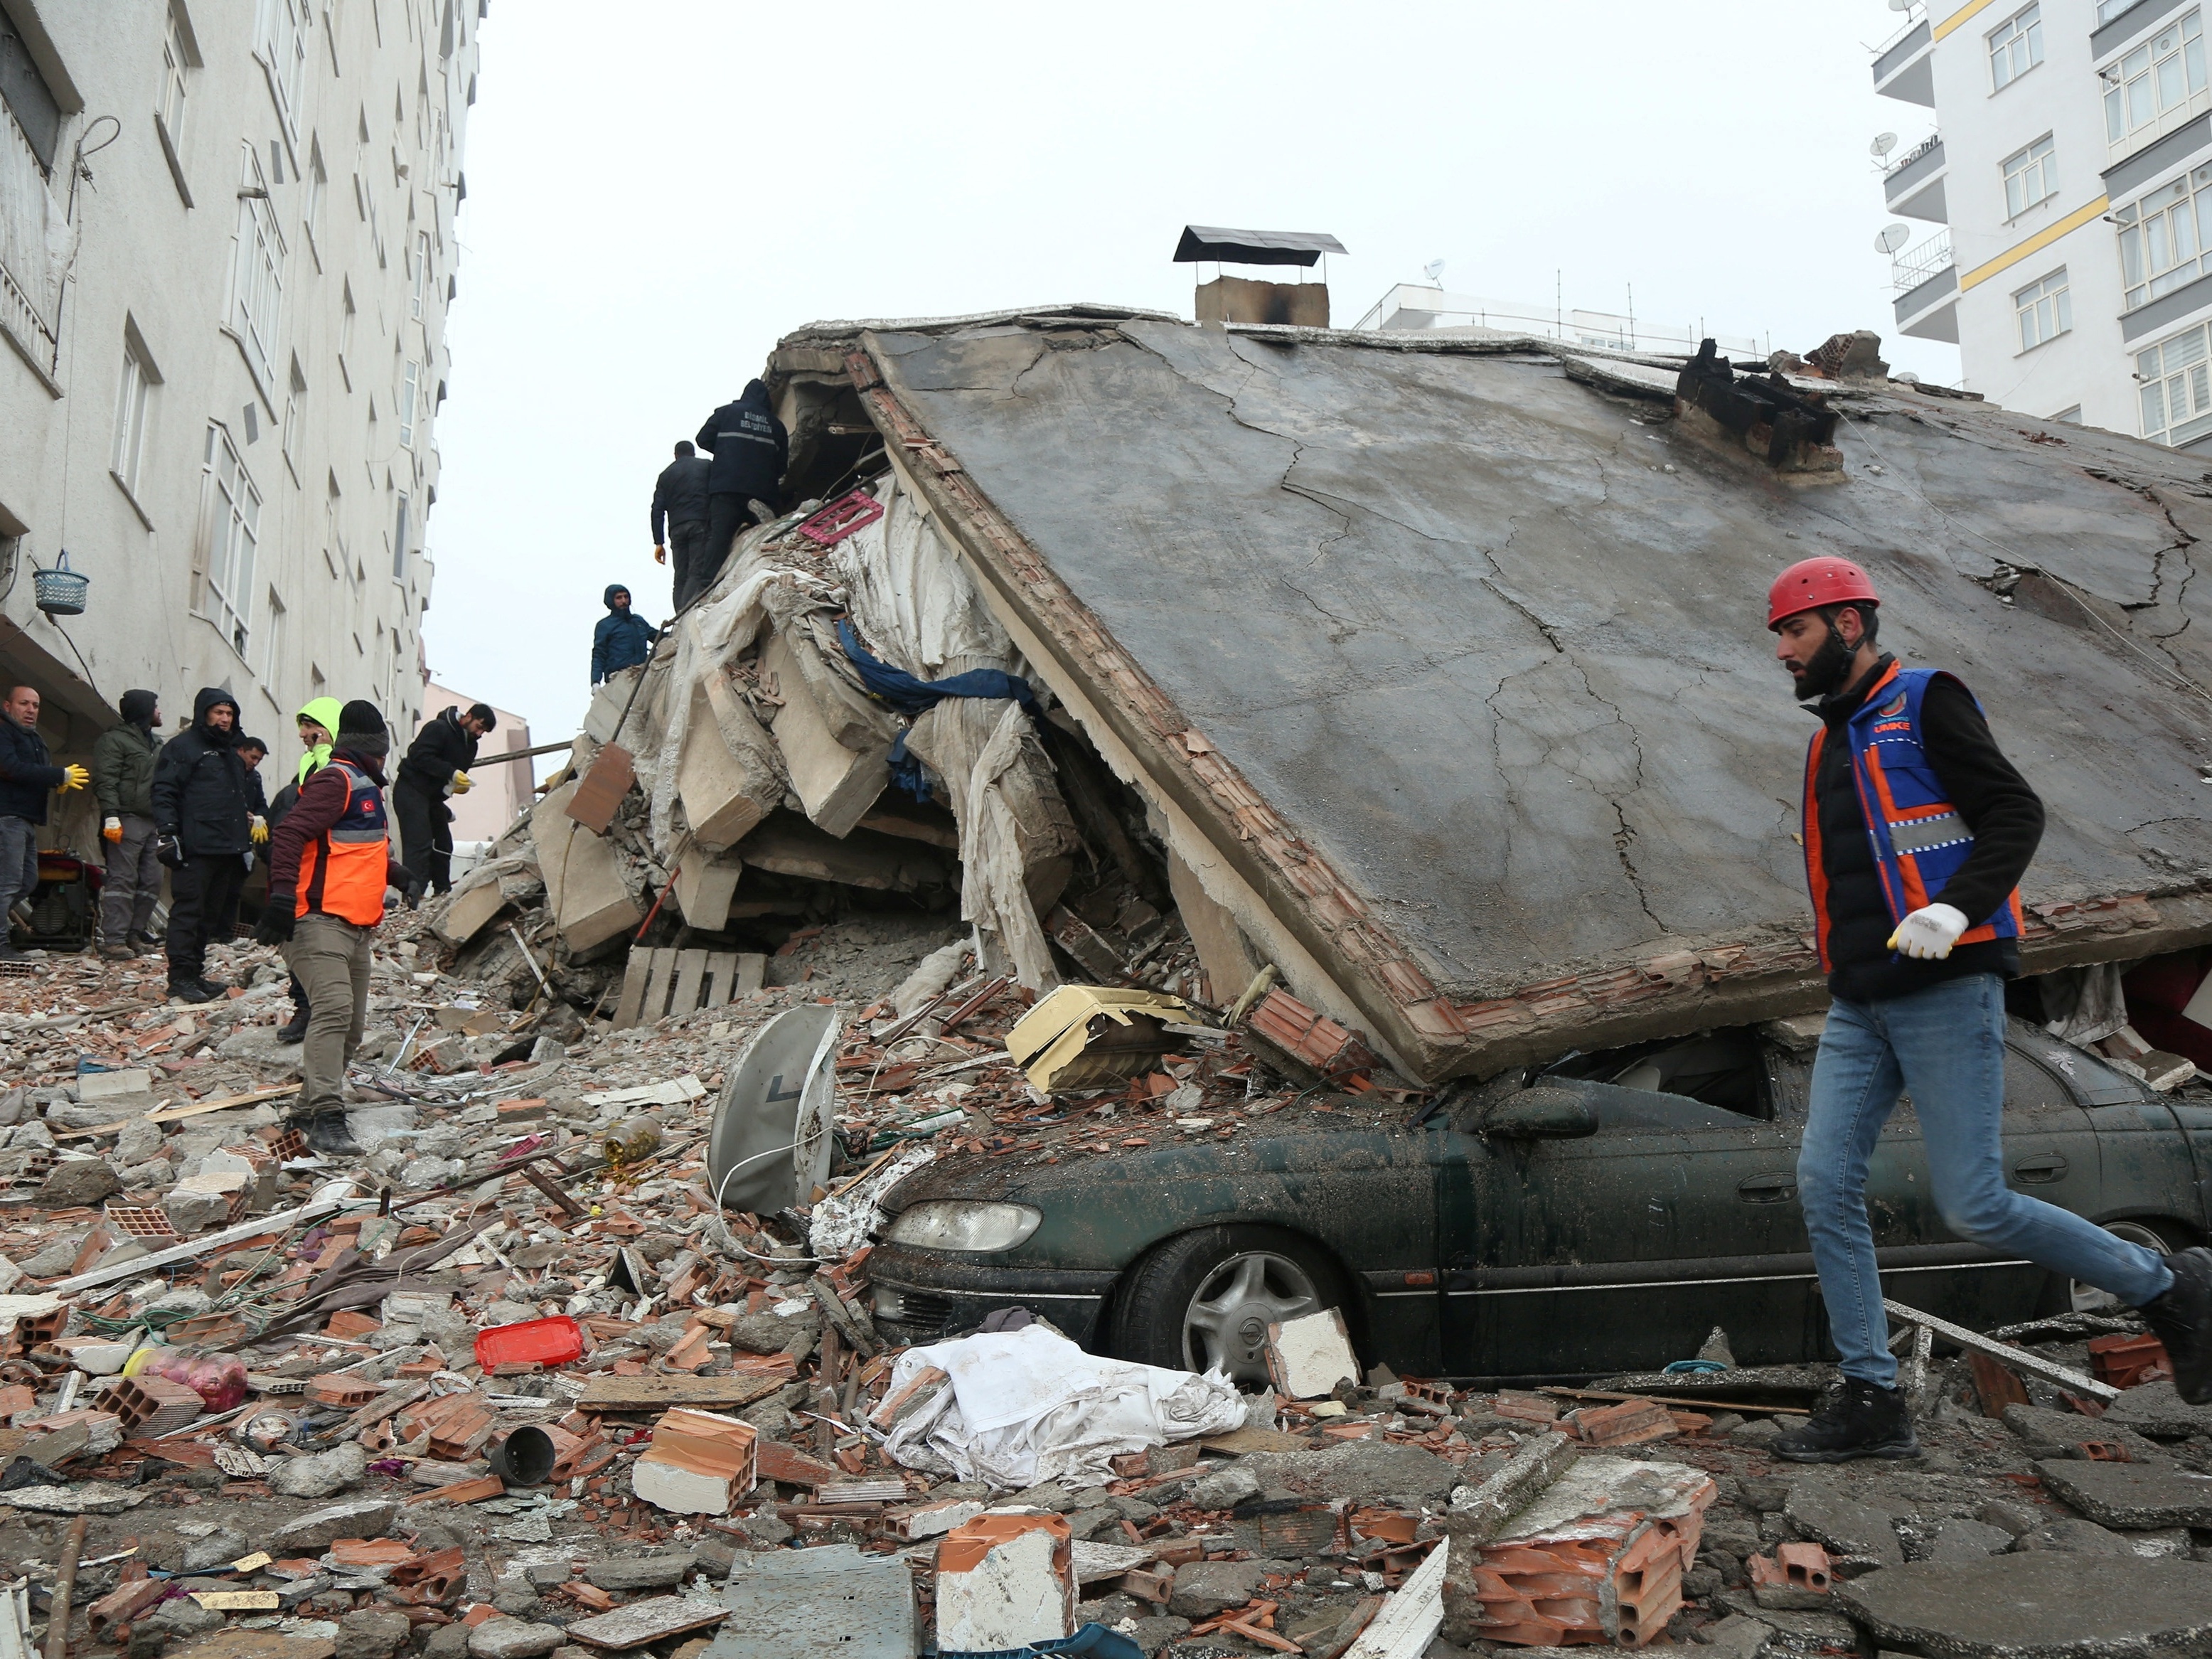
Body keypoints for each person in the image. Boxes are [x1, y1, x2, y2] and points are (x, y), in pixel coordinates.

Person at [1765, 556, 2212, 1461]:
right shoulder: (1827, 740)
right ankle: (1871, 1396)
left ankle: (2166, 1284)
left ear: (1849, 625)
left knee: (1975, 1201)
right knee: (1824, 1181)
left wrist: (1956, 907)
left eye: (1794, 631)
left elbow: (2014, 811)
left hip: (1945, 985)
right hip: (1860, 1003)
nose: (1783, 651)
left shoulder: (1927, 699)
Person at [256, 700, 420, 1154]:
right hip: (317, 920)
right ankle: (328, 1117)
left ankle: (307, 1111)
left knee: (350, 1026)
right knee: (331, 1010)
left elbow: (351, 851)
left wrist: (394, 873)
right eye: (384, 752)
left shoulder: (367, 788)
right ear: (374, 750)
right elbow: (288, 834)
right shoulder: (337, 780)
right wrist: (283, 896)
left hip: (355, 926)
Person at [151, 687, 252, 1003]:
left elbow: (234, 801)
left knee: (209, 916)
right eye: (218, 712)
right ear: (204, 713)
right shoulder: (183, 747)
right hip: (195, 847)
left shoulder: (231, 754)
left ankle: (195, 973)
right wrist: (167, 834)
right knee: (188, 913)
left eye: (229, 714)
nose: (224, 719)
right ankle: (180, 978)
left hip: (226, 848)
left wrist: (244, 845)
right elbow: (164, 790)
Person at [269, 697, 343, 1045]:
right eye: (302, 727)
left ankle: (317, 1012)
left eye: (311, 727)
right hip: (308, 876)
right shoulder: (308, 769)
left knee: (323, 952)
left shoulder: (338, 772)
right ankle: (306, 1008)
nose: (303, 734)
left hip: (335, 880)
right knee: (301, 942)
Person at [0, 685, 87, 961]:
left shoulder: (33, 738)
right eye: (24, 703)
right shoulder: (3, 731)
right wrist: (57, 775)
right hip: (7, 816)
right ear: (7, 706)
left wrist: (55, 782)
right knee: (9, 883)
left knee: (27, 881)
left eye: (35, 706)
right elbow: (10, 768)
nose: (31, 710)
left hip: (25, 818)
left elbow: (29, 773)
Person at [694, 380, 789, 600]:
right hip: (762, 493)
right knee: (764, 540)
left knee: (718, 539)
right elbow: (782, 467)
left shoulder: (726, 413)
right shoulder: (776, 425)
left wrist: (727, 452)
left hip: (727, 488)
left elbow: (702, 439)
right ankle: (762, 582)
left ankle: (706, 590)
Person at [91, 689, 164, 959]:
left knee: (151, 881)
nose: (159, 712)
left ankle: (135, 933)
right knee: (122, 880)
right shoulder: (114, 741)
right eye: (155, 707)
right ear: (144, 711)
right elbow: (106, 779)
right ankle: (114, 939)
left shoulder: (156, 744)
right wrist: (111, 813)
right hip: (125, 819)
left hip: (153, 822)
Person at [393, 702, 493, 896]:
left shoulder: (471, 745)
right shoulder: (438, 728)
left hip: (432, 798)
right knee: (419, 843)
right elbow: (419, 756)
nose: (479, 733)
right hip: (411, 789)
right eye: (479, 727)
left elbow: (454, 773)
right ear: (468, 716)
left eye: (484, 731)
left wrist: (453, 786)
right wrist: (451, 773)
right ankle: (414, 897)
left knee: (443, 843)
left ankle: (441, 892)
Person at [651, 439, 715, 610]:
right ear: (693, 453)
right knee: (696, 571)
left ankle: (679, 613)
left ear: (675, 455)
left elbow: (657, 510)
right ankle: (685, 613)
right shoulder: (706, 466)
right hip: (700, 524)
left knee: (680, 575)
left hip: (677, 529)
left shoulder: (665, 475)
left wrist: (659, 542)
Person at [591, 585, 658, 686]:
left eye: (626, 597)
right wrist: (595, 681)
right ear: (611, 601)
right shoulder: (605, 625)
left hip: (643, 674)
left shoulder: (638, 621)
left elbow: (656, 636)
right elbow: (599, 654)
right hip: (618, 678)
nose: (624, 601)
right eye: (619, 598)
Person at [295, 698, 341, 784]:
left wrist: (323, 750)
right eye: (301, 726)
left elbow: (336, 783)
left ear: (328, 729)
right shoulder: (307, 760)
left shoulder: (347, 759)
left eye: (308, 726)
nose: (302, 734)